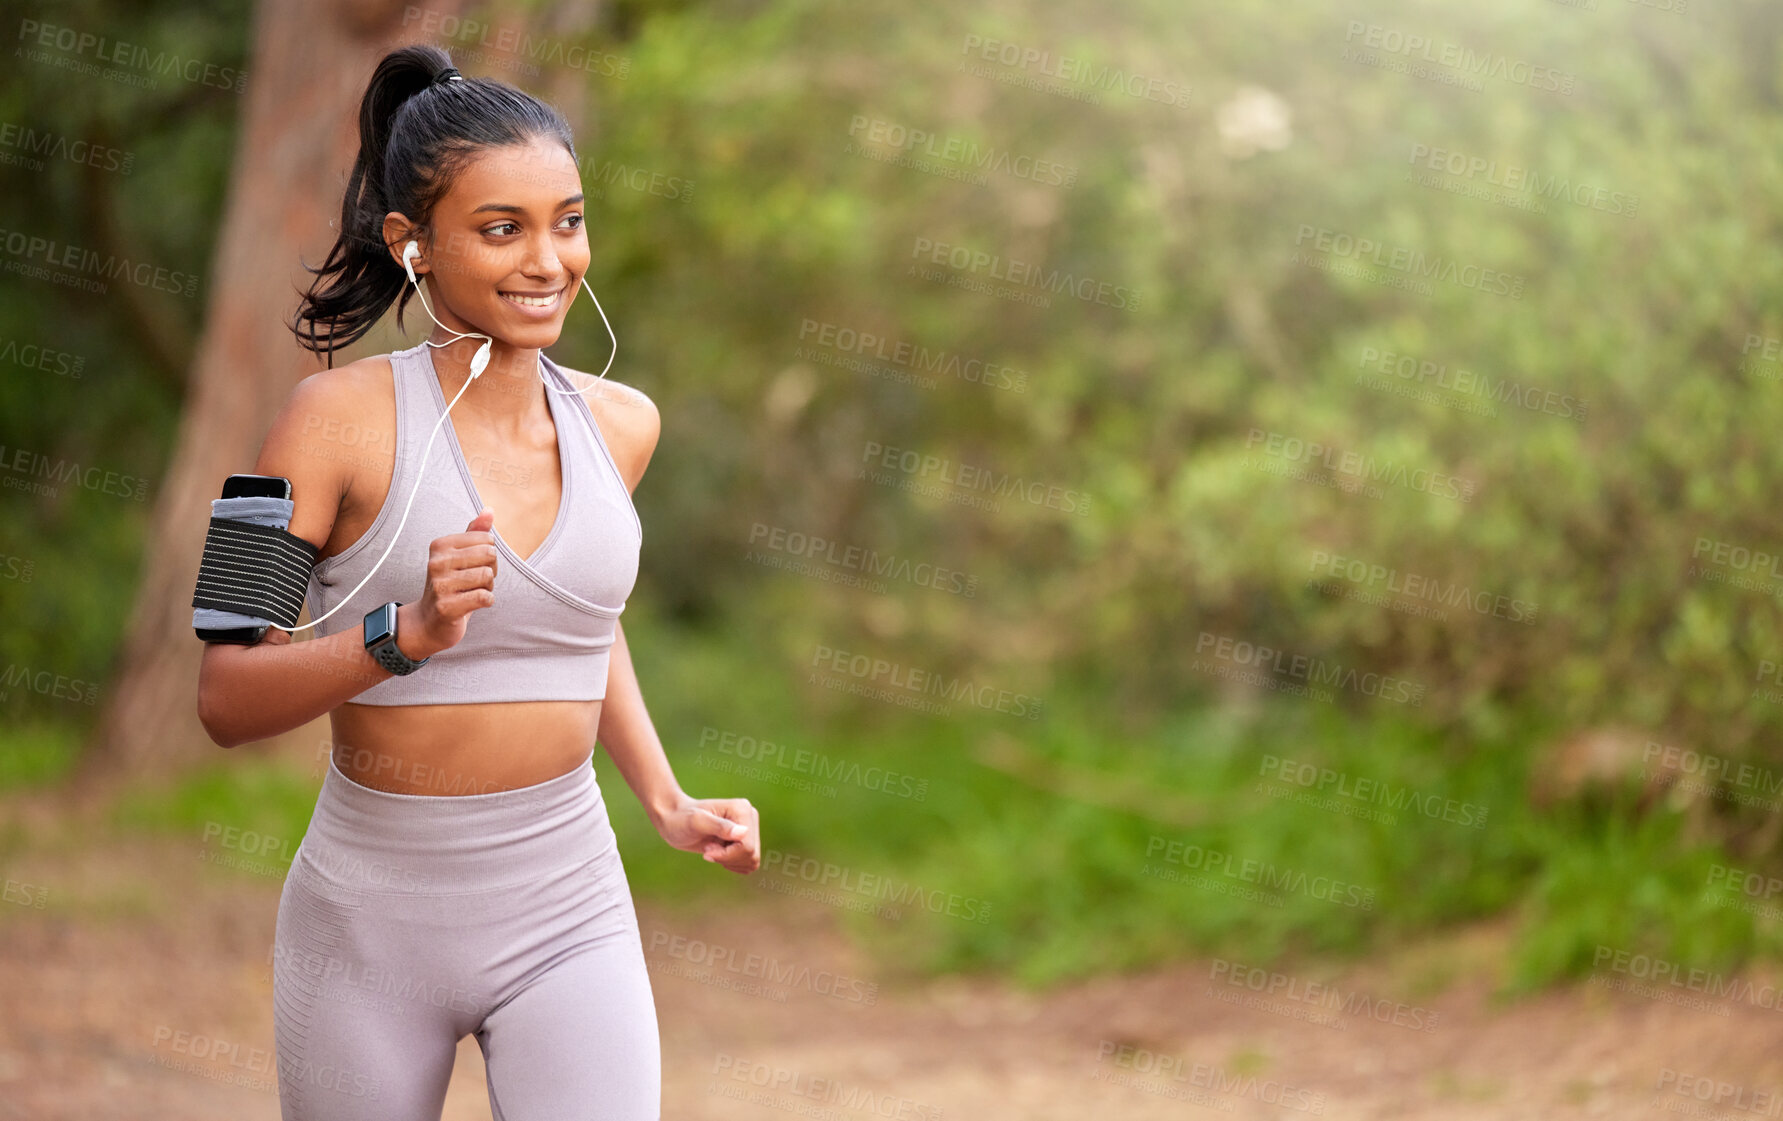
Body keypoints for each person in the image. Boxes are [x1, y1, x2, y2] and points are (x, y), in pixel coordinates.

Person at [194, 43, 758, 1121]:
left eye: (569, 220)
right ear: (412, 244)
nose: (549, 259)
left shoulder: (622, 426)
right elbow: (223, 695)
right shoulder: (320, 424)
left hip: (567, 903)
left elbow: (586, 624)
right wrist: (399, 632)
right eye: (502, 228)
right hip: (368, 921)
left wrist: (666, 796)